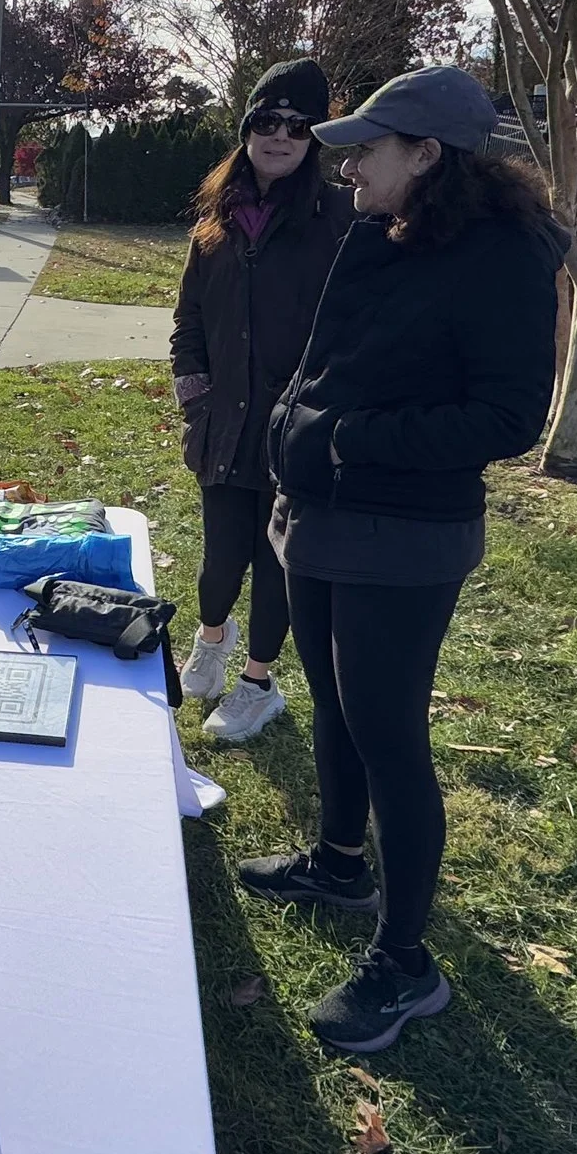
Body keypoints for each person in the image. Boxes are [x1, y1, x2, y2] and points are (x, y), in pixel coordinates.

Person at [241, 67, 564, 1054]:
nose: (347, 165)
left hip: (402, 533)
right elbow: (328, 363)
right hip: (320, 517)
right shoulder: (378, 233)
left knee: (388, 733)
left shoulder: (503, 257)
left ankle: (404, 963)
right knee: (334, 706)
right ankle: (342, 862)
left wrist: (352, 441)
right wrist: (296, 439)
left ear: (427, 157)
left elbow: (508, 416)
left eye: (366, 149)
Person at [169, 58, 355, 743]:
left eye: (298, 125)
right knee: (220, 560)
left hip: (294, 430)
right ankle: (214, 635)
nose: (281, 135)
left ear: (315, 138)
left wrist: (320, 408)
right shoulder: (215, 222)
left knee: (277, 562)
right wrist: (195, 397)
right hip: (224, 425)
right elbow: (188, 320)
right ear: (248, 127)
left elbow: (353, 325)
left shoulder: (337, 218)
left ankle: (258, 683)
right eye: (267, 121)